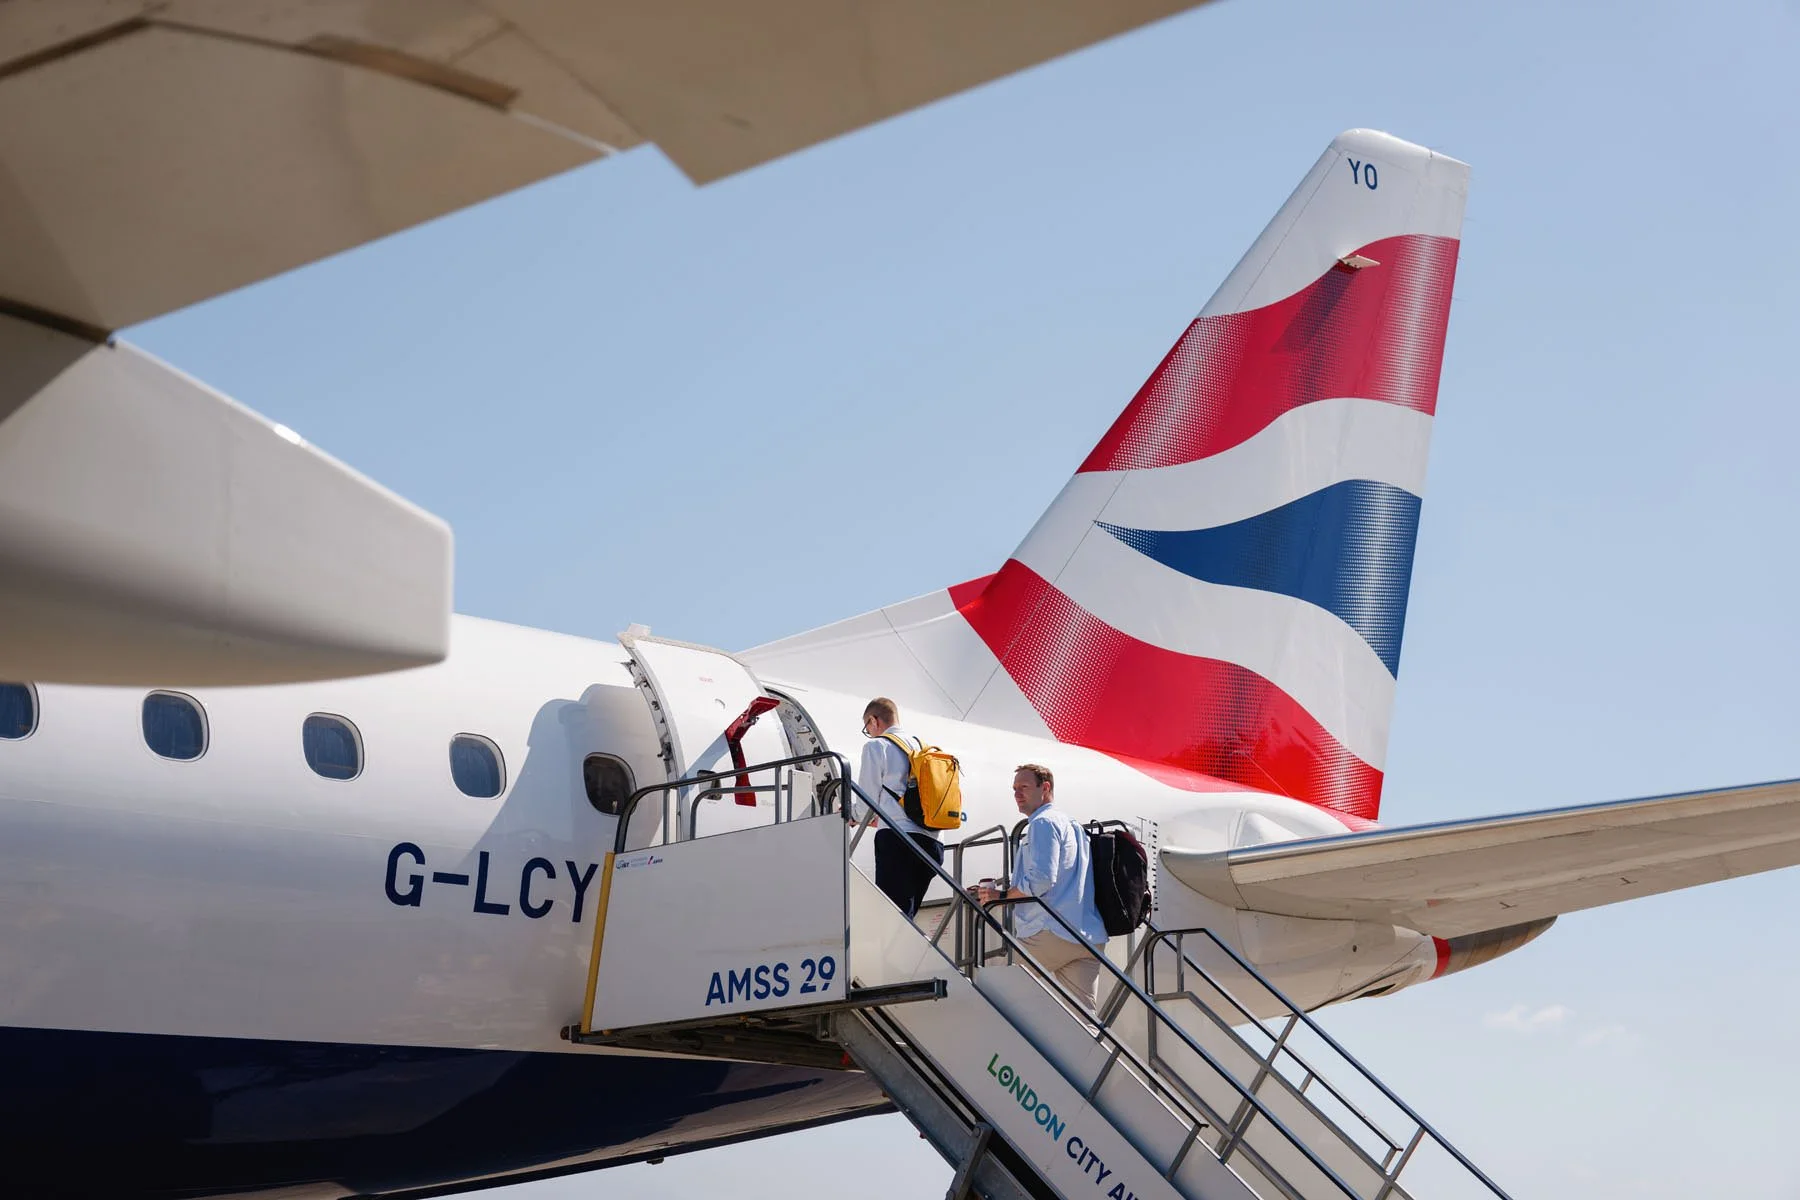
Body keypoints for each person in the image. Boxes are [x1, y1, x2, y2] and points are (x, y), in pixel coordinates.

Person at [974, 763, 1108, 1009]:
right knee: (1083, 1020)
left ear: (1045, 788)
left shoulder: (1042, 822)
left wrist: (1001, 895)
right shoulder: (1074, 826)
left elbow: (1042, 879)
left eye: (1023, 787)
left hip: (1051, 932)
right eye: (1014, 789)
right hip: (1087, 937)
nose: (1016, 794)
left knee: (996, 999)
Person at [856, 697, 944, 919]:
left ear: (873, 721)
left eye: (868, 728)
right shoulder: (923, 748)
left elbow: (867, 799)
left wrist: (851, 814)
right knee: (907, 918)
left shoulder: (877, 746)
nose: (870, 733)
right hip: (932, 844)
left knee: (891, 919)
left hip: (898, 842)